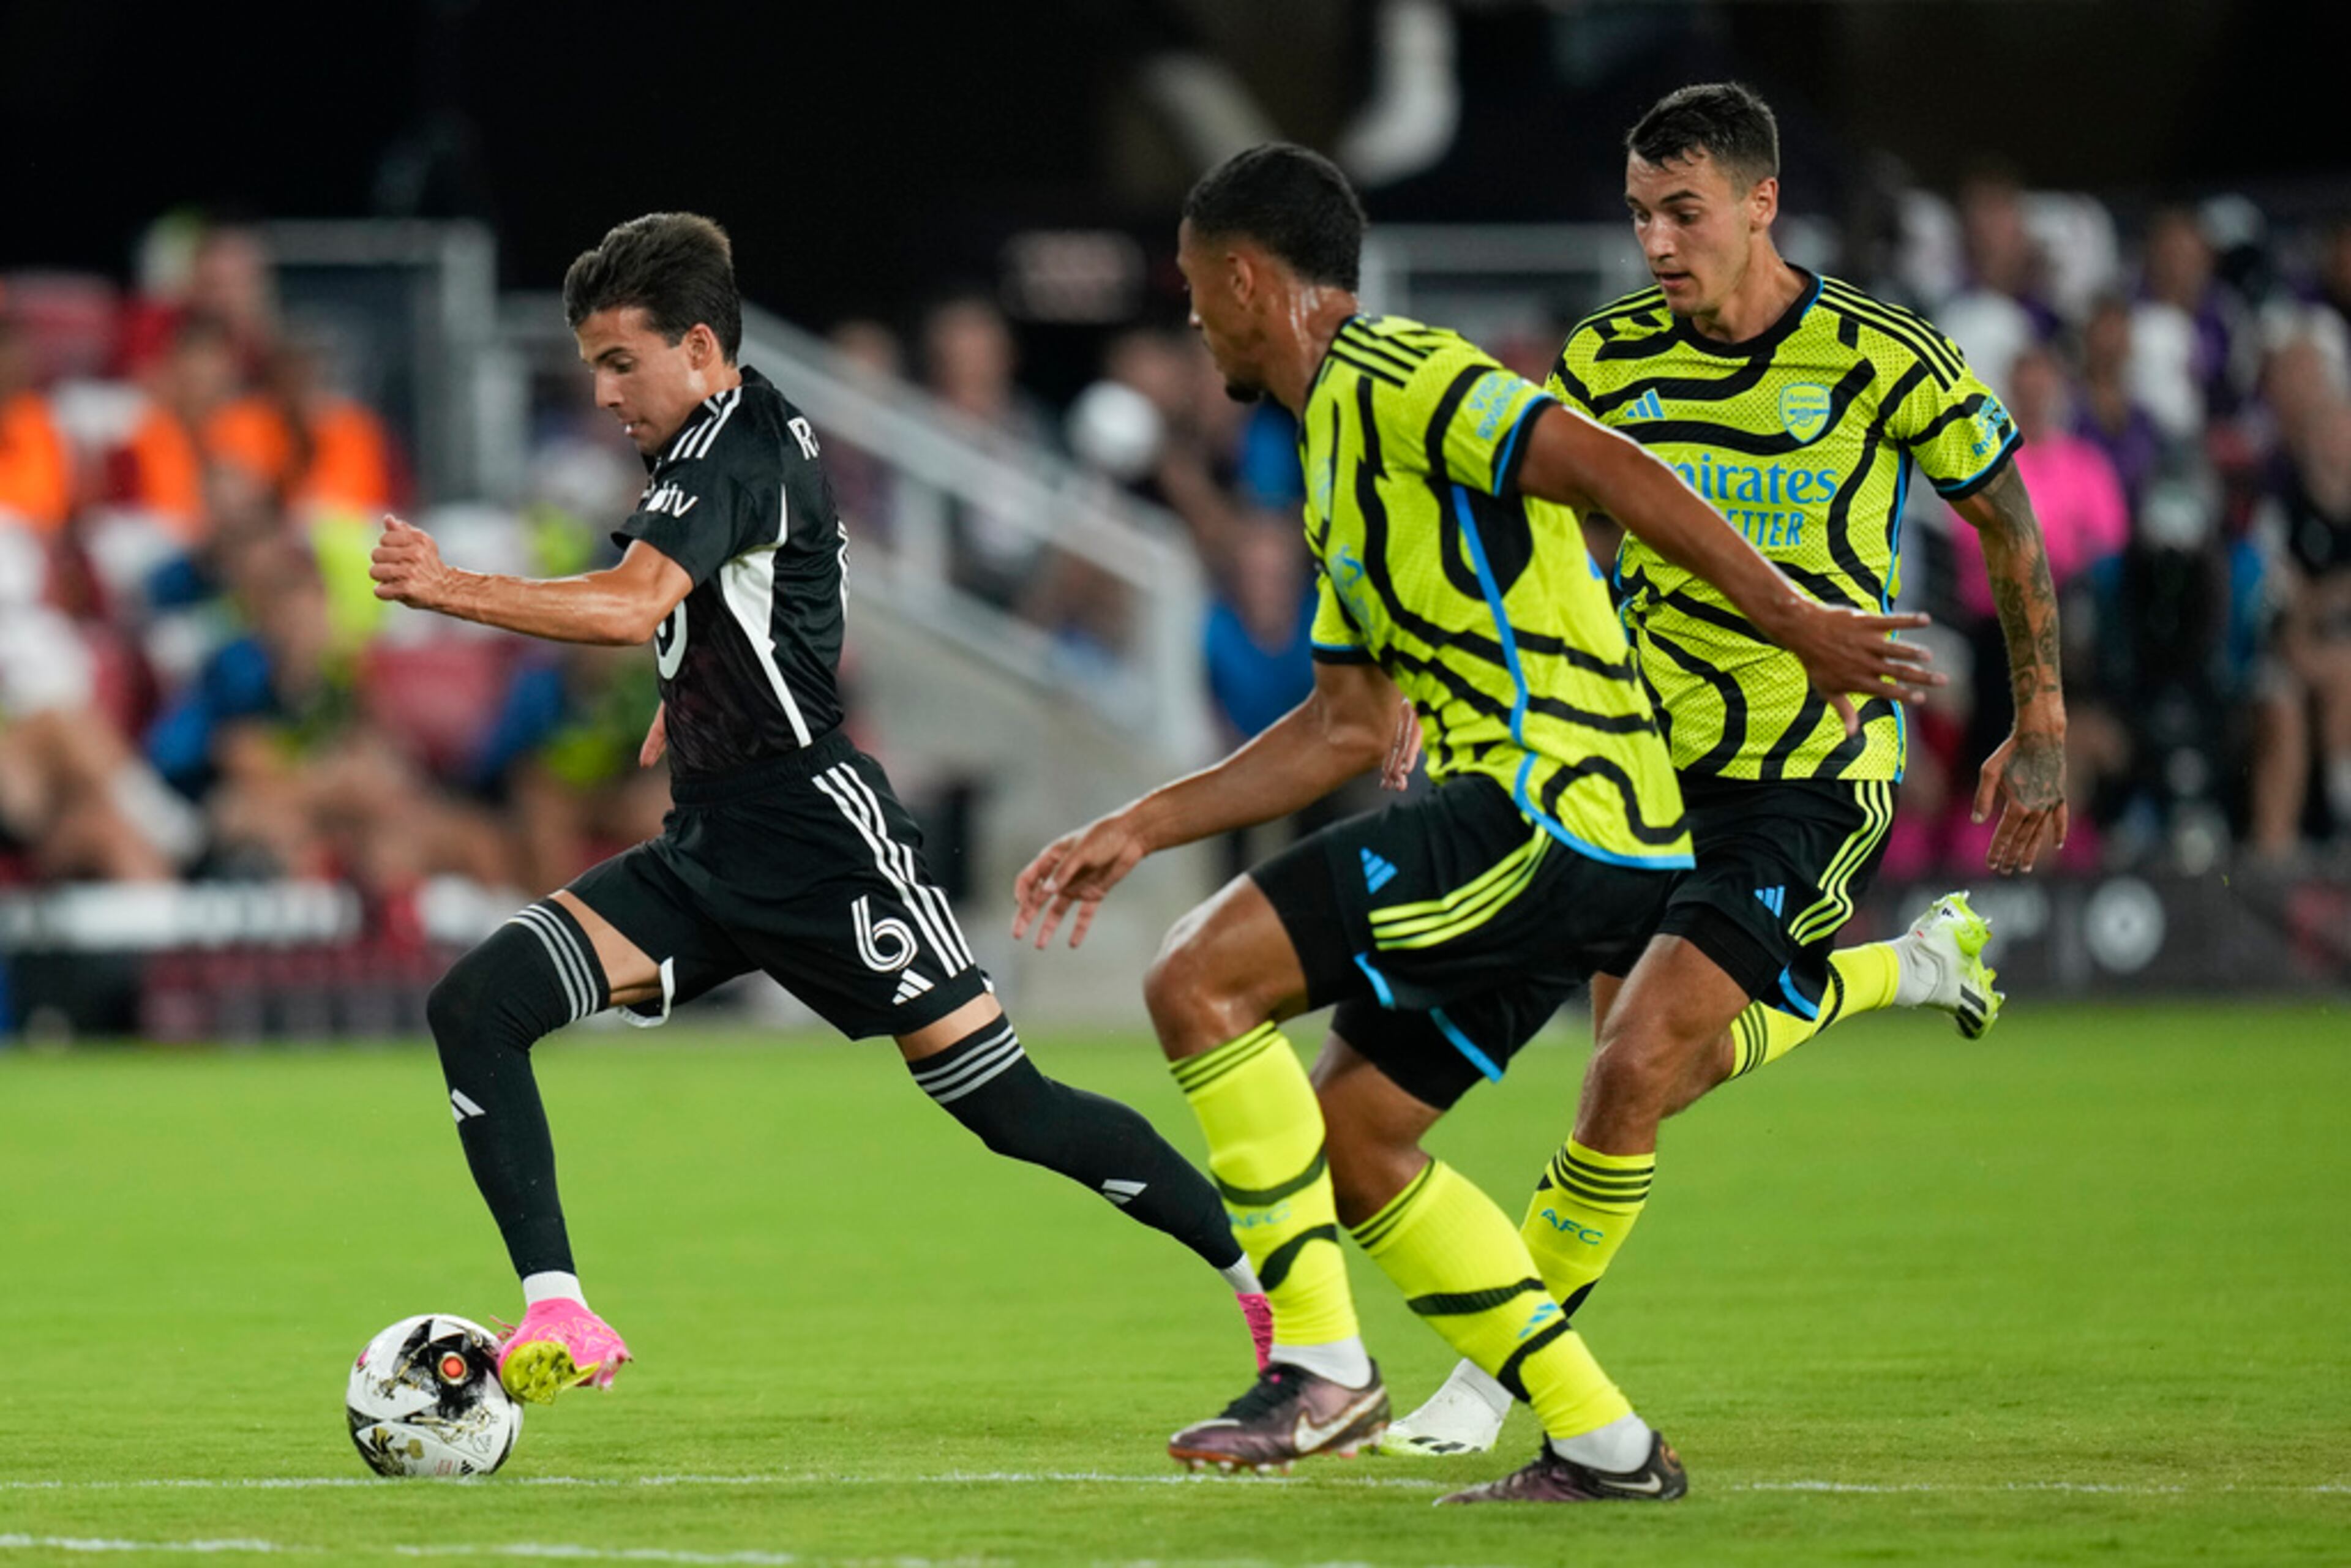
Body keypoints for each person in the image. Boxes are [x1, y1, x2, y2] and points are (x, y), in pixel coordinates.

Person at [1013, 143, 1936, 1503]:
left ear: (1250, 280)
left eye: (1199, 291)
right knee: (1354, 1142)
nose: (1193, 317)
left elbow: (1609, 468)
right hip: (1568, 838)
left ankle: (1322, 1365)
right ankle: (1605, 1446)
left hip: (1550, 811)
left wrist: (1793, 619)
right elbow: (1340, 723)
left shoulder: (1398, 373)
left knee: (1197, 980)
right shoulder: (1327, 451)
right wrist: (1143, 822)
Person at [368, 212, 1272, 1408]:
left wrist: (448, 587)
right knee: (479, 1003)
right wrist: (691, 701)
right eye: (591, 365)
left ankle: (1272, 1294)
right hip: (712, 844)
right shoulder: (734, 423)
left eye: (619, 361)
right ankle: (560, 1311)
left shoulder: (725, 448)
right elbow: (750, 599)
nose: (599, 392)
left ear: (697, 347)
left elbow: (637, 602)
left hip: (821, 842)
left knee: (1008, 1109)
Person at [1379, 81, 2068, 1458]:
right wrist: (1435, 666)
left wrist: (2039, 717)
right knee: (1650, 1081)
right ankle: (1907, 970)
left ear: (1762, 204)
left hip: (1812, 775)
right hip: (1643, 772)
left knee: (1628, 1073)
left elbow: (2002, 510)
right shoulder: (1610, 356)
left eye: (1683, 212)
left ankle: (1497, 1392)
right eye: (1640, 214)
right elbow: (1537, 532)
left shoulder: (1882, 353)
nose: (1657, 242)